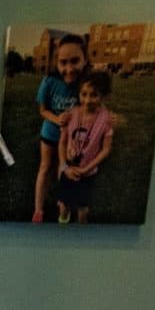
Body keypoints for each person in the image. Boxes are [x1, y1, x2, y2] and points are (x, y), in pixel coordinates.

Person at [31, 32, 87, 223]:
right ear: (57, 63)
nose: (69, 68)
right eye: (63, 63)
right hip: (50, 133)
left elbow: (90, 108)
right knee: (45, 168)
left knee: (63, 169)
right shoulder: (49, 82)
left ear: (85, 60)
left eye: (75, 61)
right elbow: (43, 110)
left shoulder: (84, 84)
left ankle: (62, 206)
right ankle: (38, 211)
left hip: (71, 138)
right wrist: (58, 119)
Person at [55, 70, 115, 223]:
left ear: (103, 95)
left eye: (94, 95)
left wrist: (85, 170)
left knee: (83, 210)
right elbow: (62, 143)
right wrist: (64, 166)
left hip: (88, 173)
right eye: (84, 94)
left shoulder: (106, 119)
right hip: (68, 170)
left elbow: (106, 149)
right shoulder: (71, 114)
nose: (88, 100)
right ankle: (62, 228)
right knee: (64, 206)